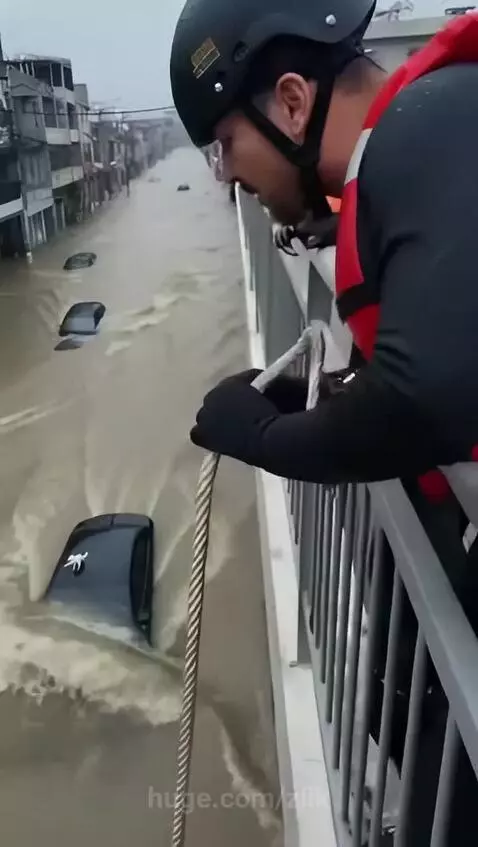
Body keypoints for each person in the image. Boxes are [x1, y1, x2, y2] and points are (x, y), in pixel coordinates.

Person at [170, 3, 478, 843]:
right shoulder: (419, 141)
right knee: (397, 694)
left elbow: (426, 395)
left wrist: (267, 439)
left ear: (294, 102)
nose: (227, 178)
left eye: (225, 144)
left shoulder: (429, 126)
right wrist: (328, 384)